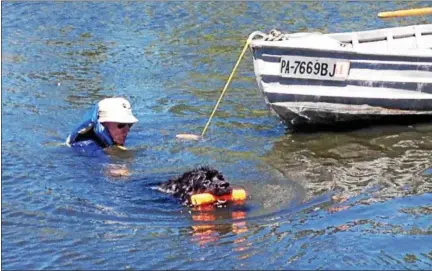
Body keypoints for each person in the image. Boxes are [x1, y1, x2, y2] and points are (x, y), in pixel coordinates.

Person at [66, 97, 138, 156]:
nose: (127, 130)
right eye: (121, 125)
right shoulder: (87, 146)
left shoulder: (110, 139)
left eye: (129, 125)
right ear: (104, 124)